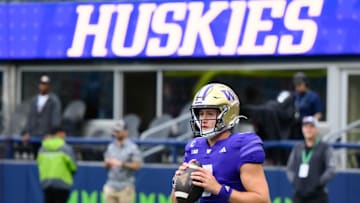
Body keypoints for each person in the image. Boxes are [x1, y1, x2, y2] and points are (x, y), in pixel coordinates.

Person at [171, 83, 270, 203]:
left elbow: (263, 200)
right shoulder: (194, 147)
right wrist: (178, 185)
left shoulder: (242, 145)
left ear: (228, 115)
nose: (203, 119)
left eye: (210, 114)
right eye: (201, 114)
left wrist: (218, 189)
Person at [286, 116, 336, 203]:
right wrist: (295, 181)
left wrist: (318, 182)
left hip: (318, 196)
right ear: (302, 129)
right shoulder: (297, 148)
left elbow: (331, 169)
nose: (308, 129)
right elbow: (289, 168)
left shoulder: (325, 148)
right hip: (299, 195)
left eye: (311, 126)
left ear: (316, 129)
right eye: (305, 126)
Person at [21, 75, 62, 158]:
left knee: (47, 158)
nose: (43, 86)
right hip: (34, 137)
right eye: (42, 84)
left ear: (49, 86)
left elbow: (56, 118)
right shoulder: (34, 99)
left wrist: (52, 133)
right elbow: (30, 117)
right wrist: (26, 132)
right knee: (36, 158)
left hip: (47, 138)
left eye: (45, 84)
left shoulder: (54, 100)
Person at [103, 119, 143, 203]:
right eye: (115, 131)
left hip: (125, 187)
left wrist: (122, 164)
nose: (116, 133)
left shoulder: (133, 148)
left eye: (119, 131)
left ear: (125, 132)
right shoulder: (111, 147)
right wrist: (107, 164)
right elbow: (105, 166)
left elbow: (137, 166)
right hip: (111, 185)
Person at [37, 126, 77, 203]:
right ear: (59, 134)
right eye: (64, 133)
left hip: (46, 183)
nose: (65, 136)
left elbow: (39, 163)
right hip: (62, 184)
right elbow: (73, 167)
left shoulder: (42, 148)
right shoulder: (66, 148)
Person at [292, 72, 322, 139]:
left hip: (308, 129)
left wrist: (309, 122)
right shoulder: (294, 96)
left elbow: (318, 114)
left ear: (305, 84)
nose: (297, 87)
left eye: (299, 85)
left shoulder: (314, 96)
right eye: (296, 85)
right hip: (295, 129)